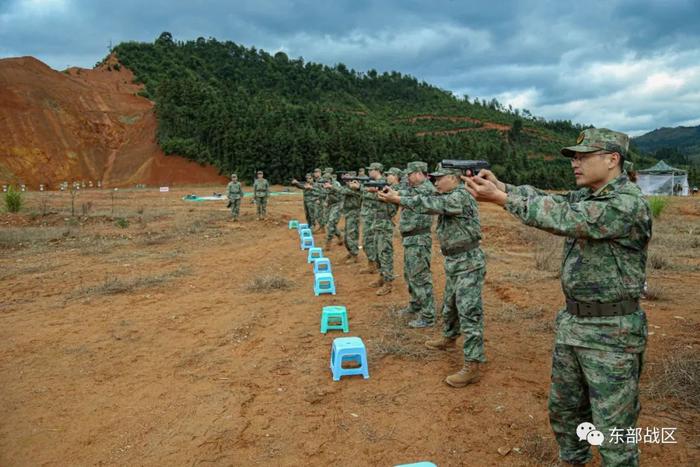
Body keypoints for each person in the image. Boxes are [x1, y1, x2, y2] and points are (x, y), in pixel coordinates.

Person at [464, 128, 651, 467]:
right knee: (566, 414)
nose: (575, 164)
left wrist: (502, 200)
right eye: (574, 157)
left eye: (583, 156)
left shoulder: (627, 204)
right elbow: (554, 200)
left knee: (614, 432)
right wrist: (504, 186)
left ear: (613, 160)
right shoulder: (589, 196)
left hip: (612, 334)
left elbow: (564, 217)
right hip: (574, 325)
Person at [378, 164, 486, 386]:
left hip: (468, 262)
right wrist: (397, 194)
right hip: (455, 261)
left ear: (455, 178)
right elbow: (425, 198)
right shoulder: (449, 194)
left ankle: (472, 363)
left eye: (440, 178)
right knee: (450, 304)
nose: (435, 181)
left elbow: (429, 204)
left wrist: (398, 199)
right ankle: (448, 337)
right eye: (434, 178)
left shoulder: (460, 196)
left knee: (469, 311)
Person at [398, 161, 437, 328]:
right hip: (411, 238)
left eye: (410, 174)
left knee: (420, 277)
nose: (408, 177)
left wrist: (396, 196)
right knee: (410, 274)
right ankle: (415, 304)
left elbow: (411, 199)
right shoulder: (414, 189)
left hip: (419, 239)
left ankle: (428, 316)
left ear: (419, 173)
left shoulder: (427, 189)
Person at [370, 167, 401, 296]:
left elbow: (391, 209)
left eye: (391, 175)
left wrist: (385, 197)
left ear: (397, 177)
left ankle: (388, 282)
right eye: (387, 174)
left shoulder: (397, 190)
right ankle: (382, 276)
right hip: (378, 223)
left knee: (385, 253)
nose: (388, 176)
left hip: (386, 224)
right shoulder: (386, 187)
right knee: (377, 252)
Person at [352, 162, 384, 275]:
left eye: (371, 170)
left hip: (374, 216)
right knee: (367, 241)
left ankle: (375, 266)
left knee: (370, 242)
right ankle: (372, 264)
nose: (369, 172)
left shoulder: (382, 183)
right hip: (368, 215)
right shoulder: (371, 182)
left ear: (377, 170)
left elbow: (379, 197)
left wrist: (360, 188)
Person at [338, 170, 362, 263]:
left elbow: (342, 191)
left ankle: (354, 254)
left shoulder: (355, 187)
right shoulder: (349, 187)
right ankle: (351, 252)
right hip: (348, 213)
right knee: (347, 235)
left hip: (354, 212)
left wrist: (332, 186)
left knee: (351, 235)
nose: (346, 179)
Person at [323, 173, 344, 250]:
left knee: (331, 223)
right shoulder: (325, 184)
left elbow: (341, 195)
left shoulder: (336, 184)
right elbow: (328, 194)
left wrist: (331, 187)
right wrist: (326, 201)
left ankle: (328, 243)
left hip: (338, 204)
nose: (324, 182)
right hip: (330, 205)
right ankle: (340, 236)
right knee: (327, 222)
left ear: (330, 179)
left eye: (326, 180)